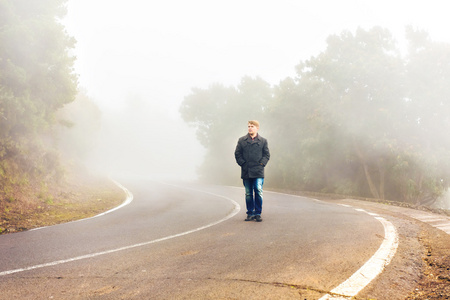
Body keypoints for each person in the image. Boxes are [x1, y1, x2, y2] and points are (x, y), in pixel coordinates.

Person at [234, 120, 270, 222]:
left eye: (252, 126)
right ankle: (250, 213)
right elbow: (237, 154)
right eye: (249, 126)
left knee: (258, 191)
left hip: (258, 171)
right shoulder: (242, 140)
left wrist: (262, 164)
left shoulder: (263, 141)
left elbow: (266, 155)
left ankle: (258, 213)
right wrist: (243, 164)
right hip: (246, 171)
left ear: (257, 128)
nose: (250, 128)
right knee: (248, 193)